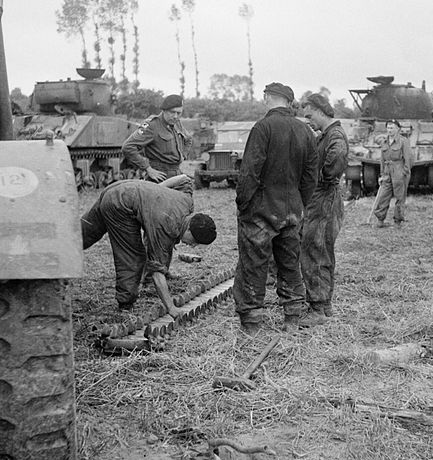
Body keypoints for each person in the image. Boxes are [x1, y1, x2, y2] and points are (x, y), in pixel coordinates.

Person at [233, 82, 318, 335]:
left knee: (253, 265)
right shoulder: (305, 131)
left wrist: (243, 204)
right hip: (292, 210)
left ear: (269, 98)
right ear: (289, 102)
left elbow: (250, 171)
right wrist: (299, 202)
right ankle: (292, 318)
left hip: (260, 211)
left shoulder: (263, 128)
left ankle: (252, 323)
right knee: (290, 264)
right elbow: (310, 176)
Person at [81, 176, 216, 316]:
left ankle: (60, 250)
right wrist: (171, 308)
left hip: (122, 187)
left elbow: (184, 179)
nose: (192, 246)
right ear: (188, 229)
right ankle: (125, 304)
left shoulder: (187, 202)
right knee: (134, 257)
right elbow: (157, 272)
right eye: (194, 241)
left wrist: (152, 192)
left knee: (84, 234)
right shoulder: (166, 226)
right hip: (120, 203)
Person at [299, 93, 349, 326]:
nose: (308, 120)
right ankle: (323, 305)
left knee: (315, 250)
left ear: (320, 111)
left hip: (324, 199)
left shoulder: (334, 135)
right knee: (319, 250)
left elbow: (337, 155)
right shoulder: (326, 135)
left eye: (310, 115)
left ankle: (318, 309)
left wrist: (325, 178)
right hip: (323, 198)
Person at [122, 94, 191, 182]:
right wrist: (148, 168)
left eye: (179, 113)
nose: (175, 116)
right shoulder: (152, 125)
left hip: (176, 173)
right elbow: (128, 147)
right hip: (159, 177)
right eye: (172, 112)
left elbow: (188, 139)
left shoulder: (176, 123)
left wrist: (183, 156)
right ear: (164, 110)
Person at [373, 119, 413, 228]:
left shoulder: (403, 141)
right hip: (387, 171)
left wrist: (405, 171)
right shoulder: (384, 141)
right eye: (388, 128)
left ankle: (397, 221)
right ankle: (380, 220)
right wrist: (382, 174)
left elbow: (408, 158)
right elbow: (382, 159)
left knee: (400, 197)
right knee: (383, 196)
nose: (390, 130)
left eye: (392, 128)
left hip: (399, 170)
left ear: (398, 129)